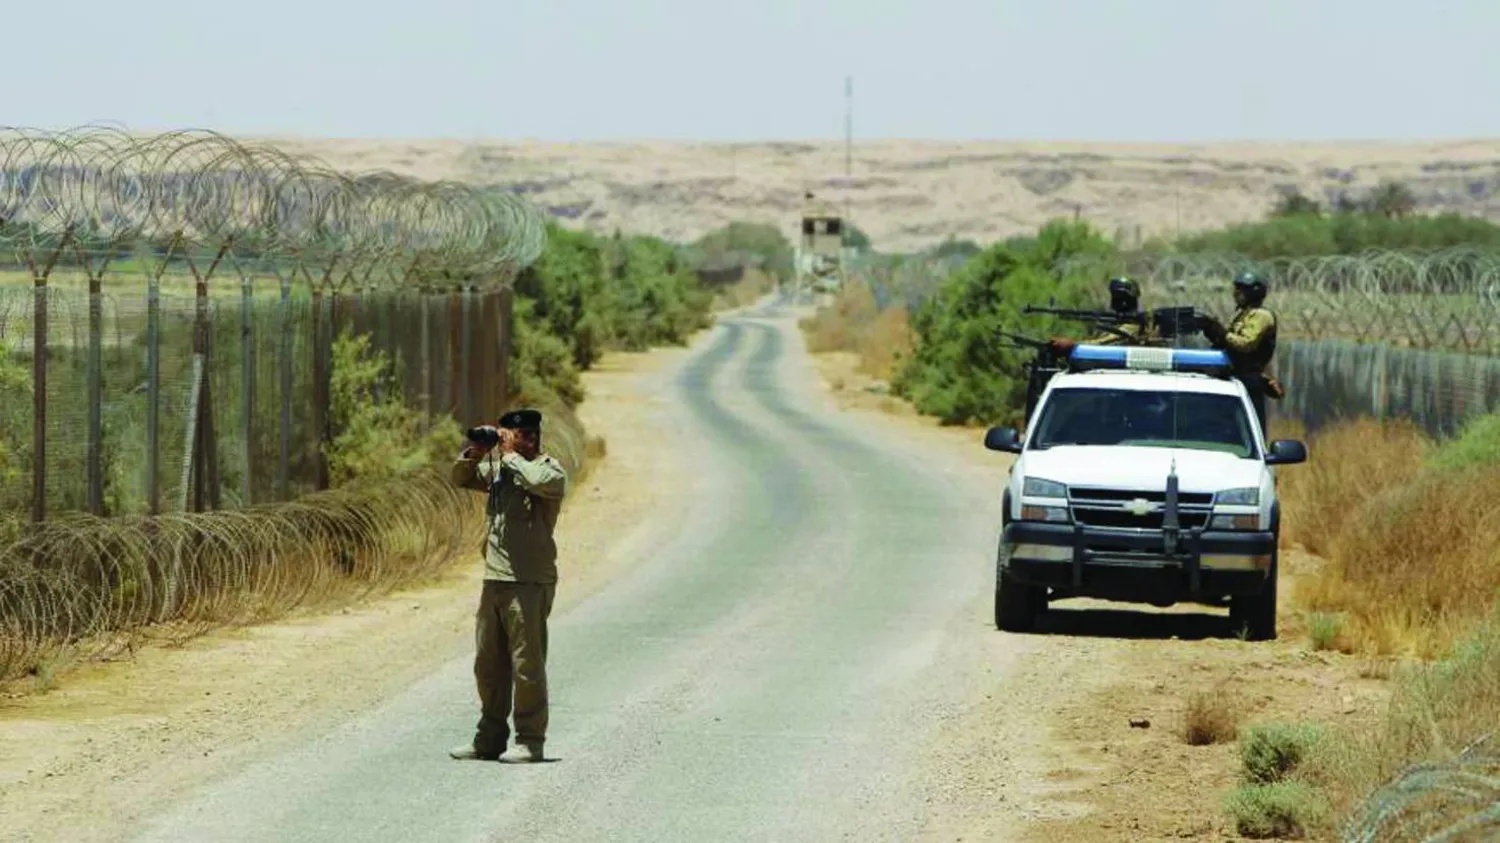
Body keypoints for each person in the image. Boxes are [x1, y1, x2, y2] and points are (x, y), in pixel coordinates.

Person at [448, 408, 568, 764]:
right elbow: (460, 477)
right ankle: (490, 738)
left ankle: (530, 740)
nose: (506, 441)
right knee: (488, 664)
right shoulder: (501, 468)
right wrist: (476, 451)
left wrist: (512, 456)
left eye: (512, 435)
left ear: (529, 436)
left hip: (529, 580)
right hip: (495, 577)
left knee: (526, 664)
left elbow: (539, 481)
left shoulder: (549, 469)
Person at [1197, 270, 1284, 434]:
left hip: (1248, 379)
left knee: (1249, 428)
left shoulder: (1261, 315)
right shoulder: (1244, 314)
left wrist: (1222, 333)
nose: (1236, 293)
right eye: (1236, 289)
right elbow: (1231, 344)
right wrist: (1214, 333)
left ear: (1254, 292)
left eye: (1241, 289)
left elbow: (1246, 344)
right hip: (1236, 374)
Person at [1048, 276, 1158, 354]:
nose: (1116, 302)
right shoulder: (1114, 323)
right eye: (1115, 297)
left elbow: (1102, 344)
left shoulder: (1133, 325)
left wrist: (1073, 345)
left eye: (1120, 298)